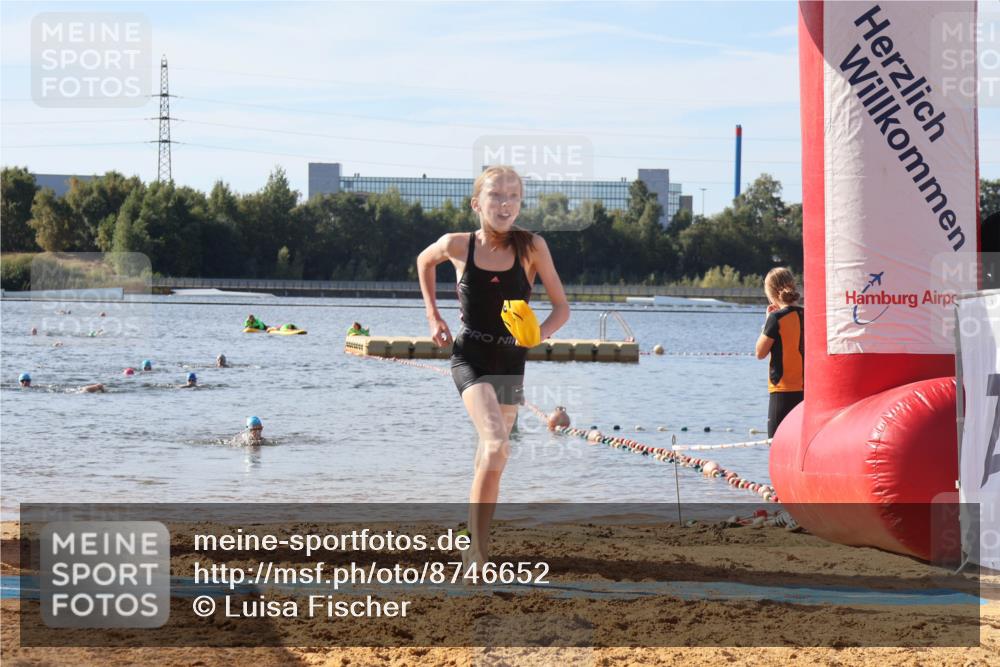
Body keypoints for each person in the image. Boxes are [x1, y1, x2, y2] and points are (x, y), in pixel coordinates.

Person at [416, 165, 569, 571]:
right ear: (476, 203)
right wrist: (434, 316)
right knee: (498, 443)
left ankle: (471, 540)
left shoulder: (532, 246)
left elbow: (561, 308)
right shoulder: (457, 244)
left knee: (492, 455)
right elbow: (423, 261)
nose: (505, 204)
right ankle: (479, 554)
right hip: (471, 358)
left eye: (513, 196)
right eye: (496, 196)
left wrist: (539, 335)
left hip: (512, 361)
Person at [755, 267, 804, 438]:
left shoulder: (776, 318)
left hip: (783, 390)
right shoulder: (808, 315)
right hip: (807, 390)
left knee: (775, 444)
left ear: (771, 292)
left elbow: (760, 353)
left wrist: (767, 322)